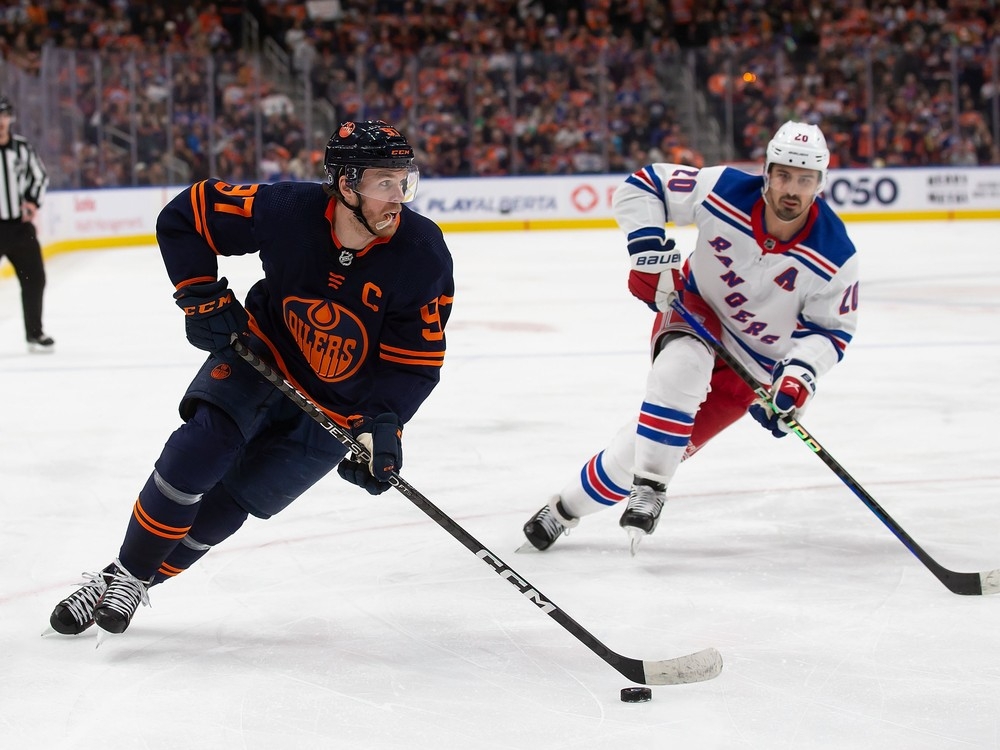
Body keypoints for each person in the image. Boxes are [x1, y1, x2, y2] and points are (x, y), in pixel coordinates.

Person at [48, 120, 455, 636]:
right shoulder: (287, 210)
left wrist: (381, 425)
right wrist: (201, 296)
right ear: (345, 184)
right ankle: (131, 574)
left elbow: (414, 362)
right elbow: (188, 213)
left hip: (335, 408)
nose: (397, 198)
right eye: (383, 183)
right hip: (262, 357)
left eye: (405, 182)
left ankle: (120, 578)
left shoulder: (422, 253)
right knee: (199, 449)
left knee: (230, 505)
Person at [522, 121, 859, 554]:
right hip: (696, 310)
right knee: (684, 365)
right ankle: (653, 488)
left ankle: (563, 509)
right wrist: (648, 253)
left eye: (805, 179)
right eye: (784, 175)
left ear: (821, 182)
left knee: (637, 449)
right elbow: (645, 185)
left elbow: (829, 331)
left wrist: (796, 378)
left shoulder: (835, 254)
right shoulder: (724, 189)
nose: (792, 189)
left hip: (752, 369)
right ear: (767, 172)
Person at [0, 95, 52, 352]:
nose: (0, 120)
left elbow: (40, 177)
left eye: (3, 114)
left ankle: (35, 333)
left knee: (35, 279)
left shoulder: (22, 147)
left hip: (20, 229)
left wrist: (32, 202)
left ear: (10, 118)